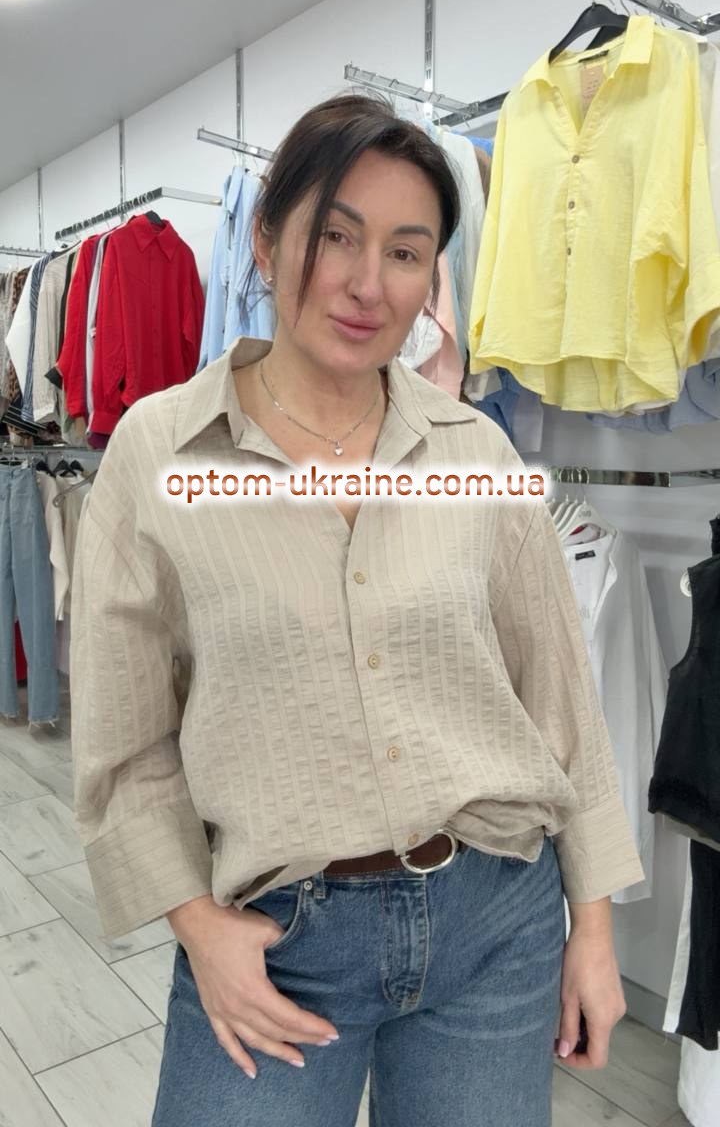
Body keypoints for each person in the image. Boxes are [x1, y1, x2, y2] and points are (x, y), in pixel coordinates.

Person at [71, 94, 644, 1127]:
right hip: (278, 943)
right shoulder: (160, 449)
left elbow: (561, 699)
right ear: (265, 238)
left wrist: (592, 931)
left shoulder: (474, 451)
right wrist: (197, 924)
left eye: (406, 252)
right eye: (336, 235)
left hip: (494, 923)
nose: (367, 283)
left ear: (433, 278)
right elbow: (125, 738)